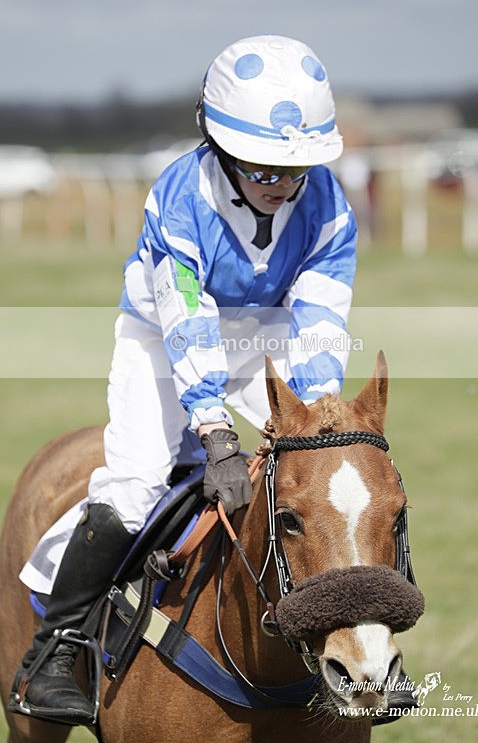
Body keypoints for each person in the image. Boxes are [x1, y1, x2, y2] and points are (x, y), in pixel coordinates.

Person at [9, 35, 357, 726]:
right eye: (262, 169)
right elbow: (187, 321)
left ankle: (360, 643)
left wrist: (314, 417)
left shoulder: (329, 205)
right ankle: (55, 649)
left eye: (295, 169)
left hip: (260, 337)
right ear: (219, 145)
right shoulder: (179, 195)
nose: (281, 186)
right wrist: (216, 434)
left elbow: (318, 321)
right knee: (137, 485)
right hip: (162, 340)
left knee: (327, 475)